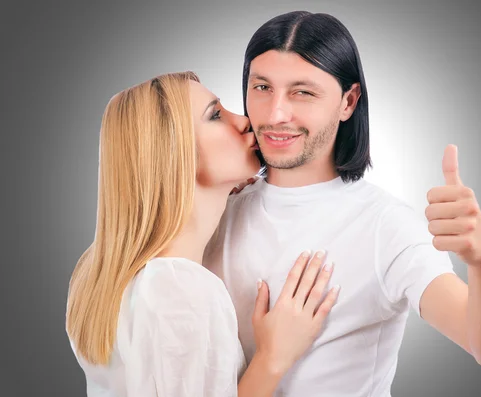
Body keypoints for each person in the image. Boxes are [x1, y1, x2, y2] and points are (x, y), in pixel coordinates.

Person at [204, 11, 481, 396]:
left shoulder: (385, 226)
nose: (275, 114)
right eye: (262, 87)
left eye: (302, 92)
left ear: (348, 101)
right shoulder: (216, 210)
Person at [65, 71, 340, 397]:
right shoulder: (181, 290)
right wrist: (272, 358)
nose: (243, 120)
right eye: (215, 115)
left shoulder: (99, 273)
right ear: (173, 153)